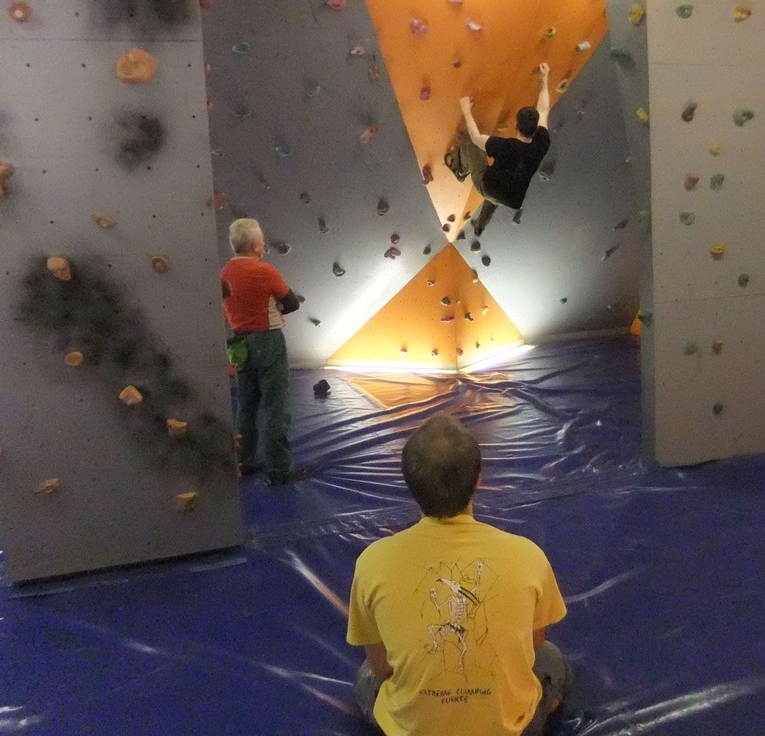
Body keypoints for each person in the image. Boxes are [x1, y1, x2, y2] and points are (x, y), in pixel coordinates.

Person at [347, 415, 571, 735]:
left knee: (367, 675)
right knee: (551, 660)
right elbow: (533, 646)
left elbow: (381, 665)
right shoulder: (527, 555)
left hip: (414, 729)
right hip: (512, 728)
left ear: (409, 484)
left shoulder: (372, 562)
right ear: (478, 480)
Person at [219, 218, 302, 486]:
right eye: (262, 242)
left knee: (246, 404)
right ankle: (279, 470)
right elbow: (291, 303)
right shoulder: (265, 271)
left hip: (238, 343)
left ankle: (243, 460)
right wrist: (276, 309)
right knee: (275, 407)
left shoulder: (223, 274)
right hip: (268, 341)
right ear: (256, 245)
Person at [450, 62, 552, 242]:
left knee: (469, 144)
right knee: (494, 200)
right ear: (536, 129)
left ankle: (460, 169)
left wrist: (466, 110)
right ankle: (480, 226)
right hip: (509, 195)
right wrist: (544, 80)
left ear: (516, 126)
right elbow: (544, 110)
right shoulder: (541, 143)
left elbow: (475, 137)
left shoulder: (505, 147)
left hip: (487, 183)